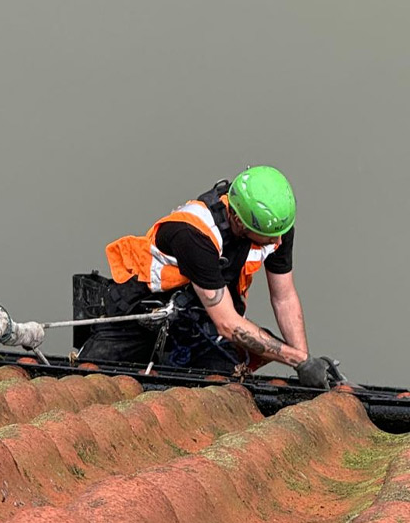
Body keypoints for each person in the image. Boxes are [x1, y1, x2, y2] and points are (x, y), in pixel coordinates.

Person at [77, 166, 338, 387]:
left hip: (199, 324)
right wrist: (298, 360)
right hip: (143, 317)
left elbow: (284, 297)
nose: (278, 240)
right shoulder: (193, 234)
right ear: (238, 220)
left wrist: (307, 364)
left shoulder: (275, 227)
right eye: (271, 235)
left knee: (225, 388)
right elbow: (228, 323)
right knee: (92, 379)